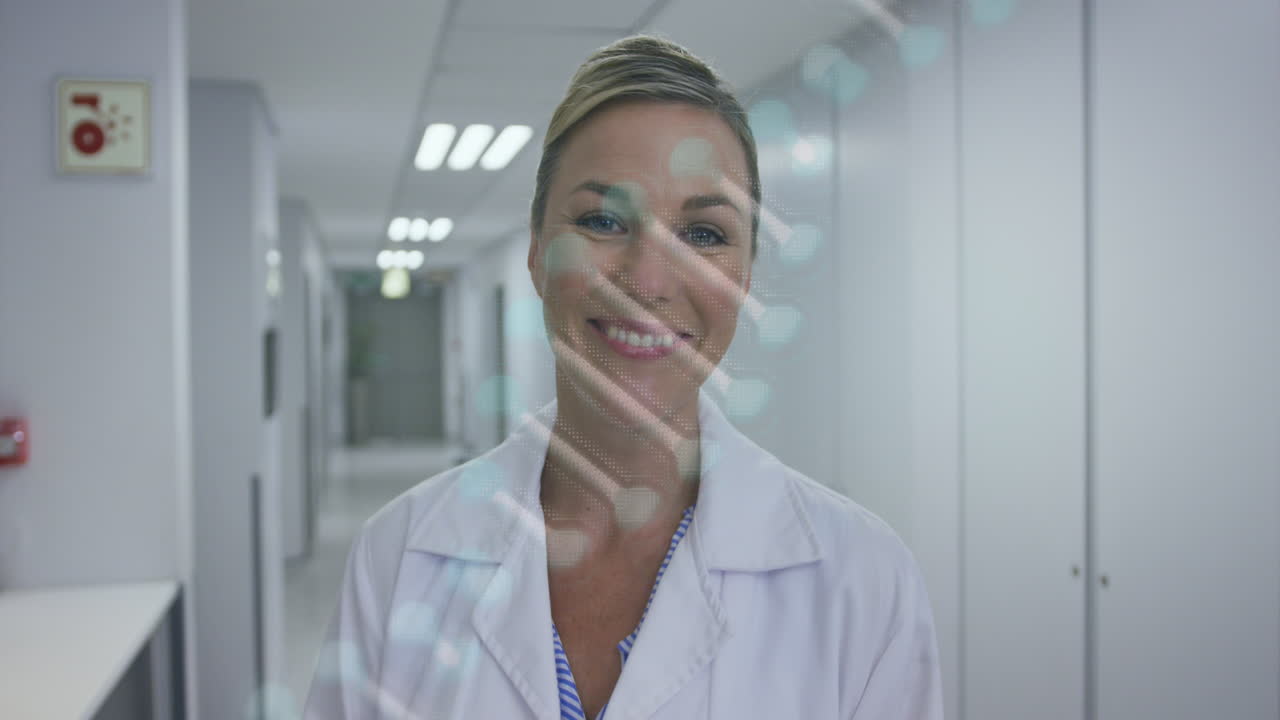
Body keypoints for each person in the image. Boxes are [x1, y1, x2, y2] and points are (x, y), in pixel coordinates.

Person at [304, 34, 942, 720]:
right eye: (604, 221)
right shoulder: (399, 554)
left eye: (704, 234)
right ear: (538, 251)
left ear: (746, 273)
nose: (648, 280)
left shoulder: (863, 580)